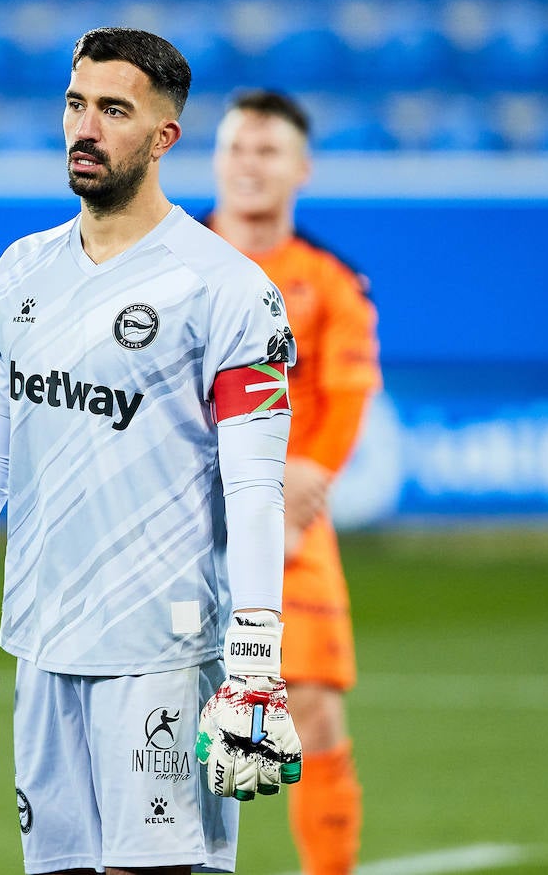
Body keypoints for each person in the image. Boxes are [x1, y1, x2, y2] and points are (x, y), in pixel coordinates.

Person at [0, 29, 304, 875]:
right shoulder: (21, 271)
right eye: (77, 104)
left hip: (165, 647)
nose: (87, 127)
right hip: (43, 641)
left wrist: (257, 659)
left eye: (115, 110)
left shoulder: (227, 289)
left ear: (165, 137)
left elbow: (255, 483)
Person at [206, 90, 380, 875]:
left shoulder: (330, 281)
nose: (250, 164)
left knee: (311, 705)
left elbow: (345, 400)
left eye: (268, 150)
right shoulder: (165, 262)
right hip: (176, 520)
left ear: (301, 167)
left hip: (288, 524)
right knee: (158, 719)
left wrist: (293, 495)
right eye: (238, 147)